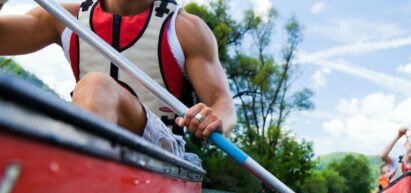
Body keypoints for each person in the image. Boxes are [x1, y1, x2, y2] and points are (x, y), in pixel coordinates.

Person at [0, 0, 236, 158]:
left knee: (96, 85)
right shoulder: (61, 17)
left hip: (161, 148)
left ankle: (68, 178)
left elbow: (223, 105)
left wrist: (217, 119)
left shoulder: (187, 29)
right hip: (83, 134)